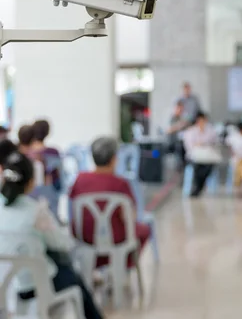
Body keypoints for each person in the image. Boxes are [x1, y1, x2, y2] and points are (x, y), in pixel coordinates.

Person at [0, 152, 104, 319]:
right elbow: (63, 243)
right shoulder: (36, 212)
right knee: (72, 274)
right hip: (34, 284)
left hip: (6, 286)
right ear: (31, 182)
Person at [69, 137, 151, 269]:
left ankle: (94, 271)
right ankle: (121, 269)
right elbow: (129, 217)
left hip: (84, 237)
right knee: (144, 230)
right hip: (115, 239)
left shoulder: (80, 179)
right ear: (114, 159)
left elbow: (72, 207)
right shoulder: (120, 183)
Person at [182, 111, 218, 197]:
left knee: (209, 166)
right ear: (197, 120)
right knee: (197, 167)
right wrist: (200, 147)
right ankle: (199, 187)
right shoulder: (190, 132)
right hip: (194, 157)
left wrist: (202, 145)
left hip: (207, 158)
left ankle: (198, 187)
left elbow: (214, 144)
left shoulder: (211, 131)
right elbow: (189, 147)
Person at [30, 119, 62, 191]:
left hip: (29, 194)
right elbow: (59, 179)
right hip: (49, 196)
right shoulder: (53, 152)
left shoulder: (25, 153)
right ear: (47, 132)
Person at [166, 100, 190, 165]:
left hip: (182, 142)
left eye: (182, 110)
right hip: (172, 143)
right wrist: (179, 126)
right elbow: (168, 130)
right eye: (179, 109)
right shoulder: (172, 118)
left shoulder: (182, 118)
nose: (180, 111)